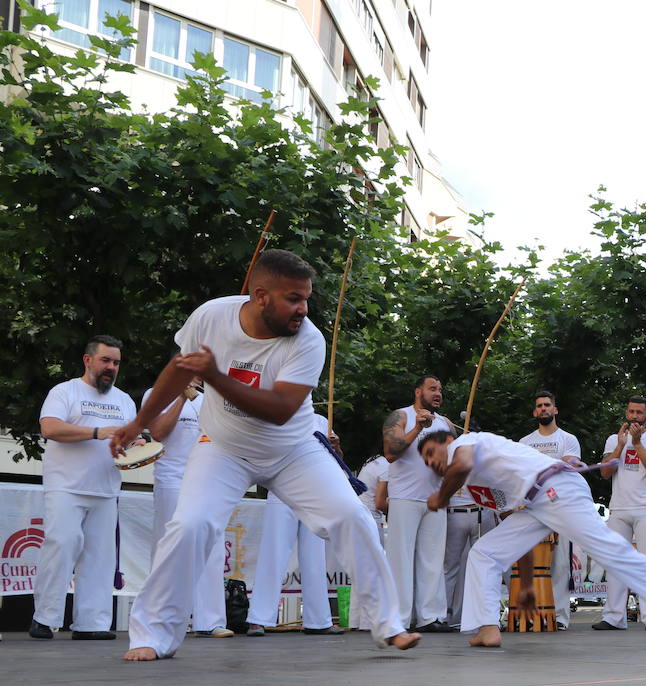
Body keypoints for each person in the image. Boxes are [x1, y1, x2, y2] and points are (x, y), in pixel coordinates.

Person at [111, 249, 419, 660]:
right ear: (260, 296)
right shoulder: (211, 317)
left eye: (307, 298)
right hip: (223, 448)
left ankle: (388, 624)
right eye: (293, 298)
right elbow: (178, 371)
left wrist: (215, 374)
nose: (303, 309)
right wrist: (140, 423)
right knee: (190, 526)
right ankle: (152, 636)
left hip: (293, 450)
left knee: (352, 516)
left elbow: (279, 411)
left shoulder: (308, 339)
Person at [417, 428, 646, 648]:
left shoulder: (464, 444)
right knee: (486, 552)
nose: (431, 462)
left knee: (609, 551)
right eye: (426, 461)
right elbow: (512, 524)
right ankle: (486, 626)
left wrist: (440, 498)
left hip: (557, 489)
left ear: (446, 441)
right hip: (537, 503)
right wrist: (528, 582)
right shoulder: (475, 474)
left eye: (431, 453)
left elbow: (461, 463)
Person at [32, 335, 137, 640]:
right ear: (88, 360)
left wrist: (138, 444)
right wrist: (96, 431)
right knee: (61, 546)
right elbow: (49, 428)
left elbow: (128, 439)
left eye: (116, 362)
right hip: (65, 486)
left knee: (101, 557)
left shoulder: (124, 400)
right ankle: (44, 618)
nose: (111, 368)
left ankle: (91, 624)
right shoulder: (65, 391)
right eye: (105, 360)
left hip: (106, 489)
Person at [143, 378, 231, 638]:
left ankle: (210, 620)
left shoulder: (211, 398)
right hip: (172, 479)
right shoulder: (155, 393)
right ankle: (158, 617)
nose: (196, 378)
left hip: (207, 478)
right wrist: (180, 396)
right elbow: (158, 431)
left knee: (213, 544)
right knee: (169, 545)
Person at [245, 413, 344, 637]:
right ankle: (258, 618)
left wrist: (334, 447)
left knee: (315, 558)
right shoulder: (276, 415)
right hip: (282, 489)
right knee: (274, 553)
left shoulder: (320, 420)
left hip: (313, 493)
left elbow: (337, 460)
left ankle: (318, 620)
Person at [381, 376, 454, 633]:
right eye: (432, 388)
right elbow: (390, 453)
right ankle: (398, 620)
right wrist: (417, 429)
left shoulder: (445, 423)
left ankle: (431, 617)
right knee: (399, 560)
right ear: (418, 392)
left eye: (440, 389)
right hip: (404, 498)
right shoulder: (400, 416)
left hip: (434, 500)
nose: (437, 393)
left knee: (433, 561)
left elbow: (452, 462)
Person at [593, 396, 646, 631]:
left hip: (644, 508)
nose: (634, 416)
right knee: (615, 562)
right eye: (631, 412)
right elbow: (605, 473)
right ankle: (614, 616)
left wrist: (637, 444)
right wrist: (620, 445)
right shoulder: (613, 439)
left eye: (639, 412)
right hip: (618, 508)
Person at [518, 391, 582, 630]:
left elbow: (567, 468)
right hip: (532, 508)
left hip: (561, 507)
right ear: (535, 412)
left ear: (555, 409)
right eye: (539, 406)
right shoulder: (525, 442)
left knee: (560, 565)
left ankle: (560, 617)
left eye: (547, 405)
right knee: (530, 564)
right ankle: (533, 616)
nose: (543, 409)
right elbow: (521, 473)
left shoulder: (569, 439)